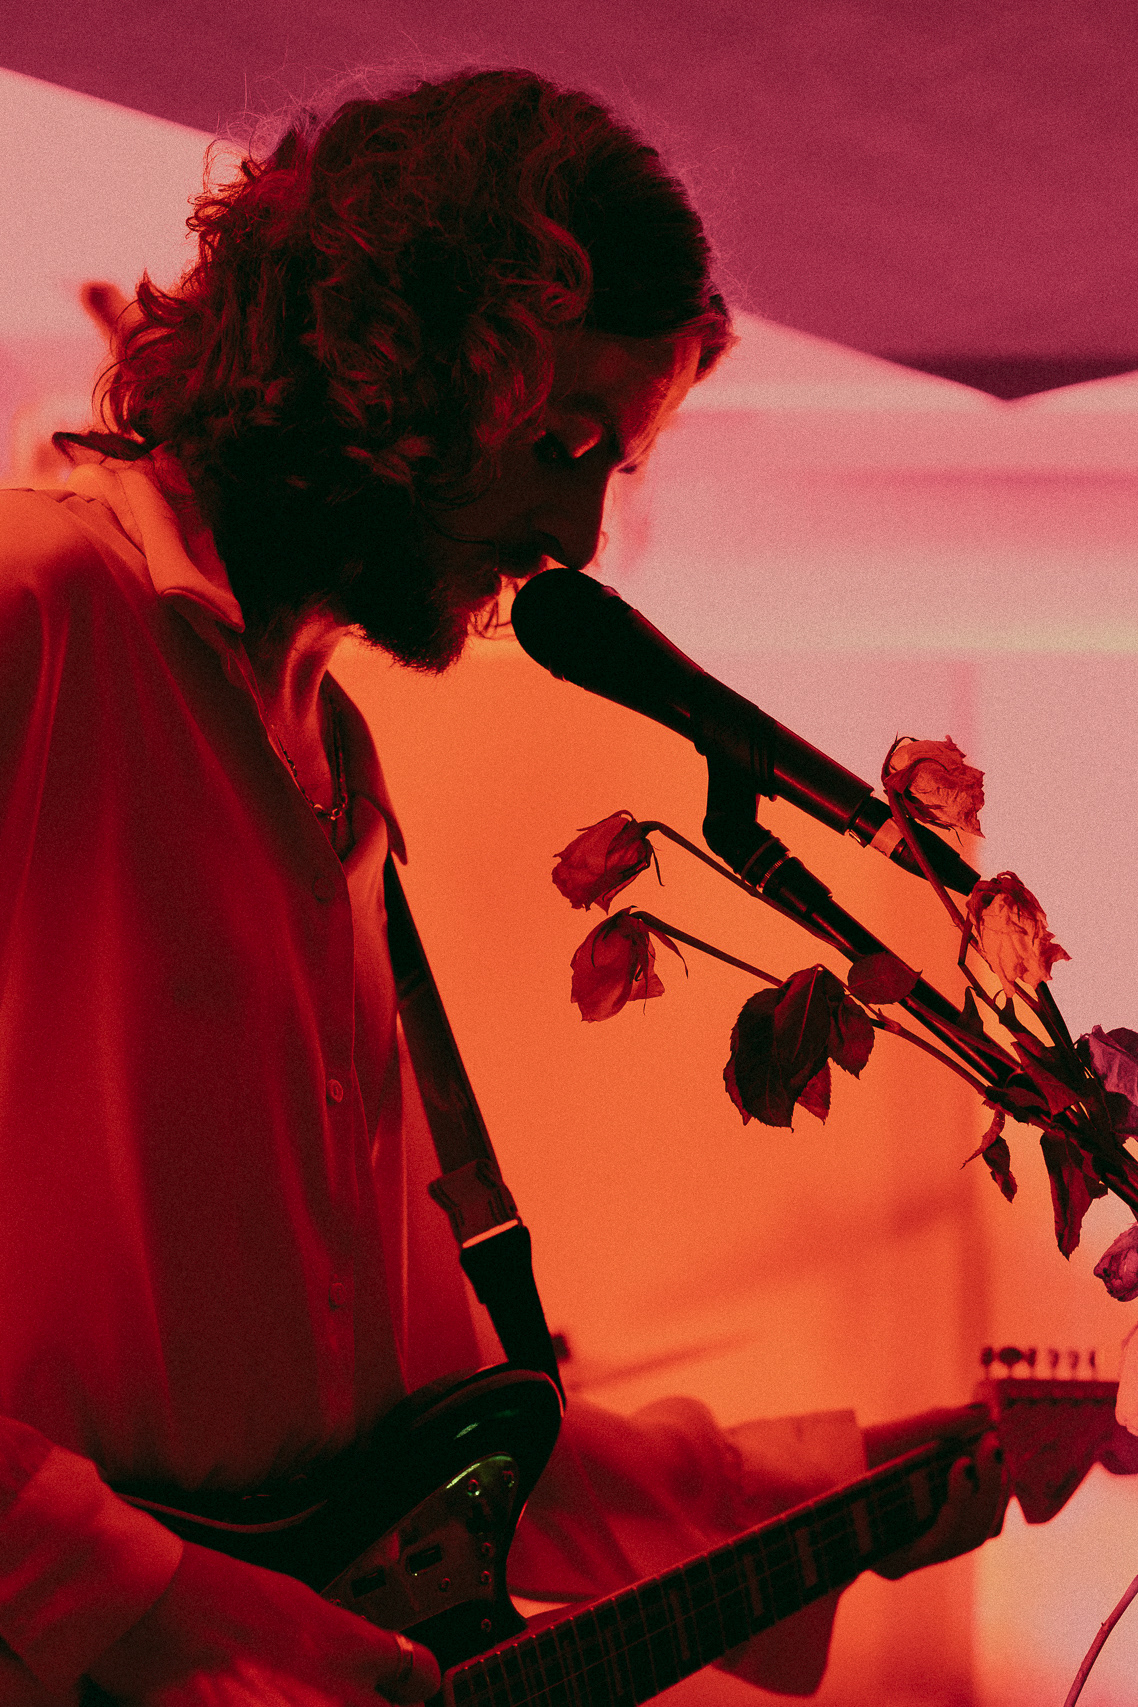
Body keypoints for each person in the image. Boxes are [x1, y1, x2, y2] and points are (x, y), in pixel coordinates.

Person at [0, 69, 1006, 1707]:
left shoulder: (337, 778)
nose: (578, 536)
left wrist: (835, 1493)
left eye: (614, 466)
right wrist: (163, 1612)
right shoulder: (40, 613)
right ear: (391, 358)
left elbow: (410, 1441)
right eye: (561, 441)